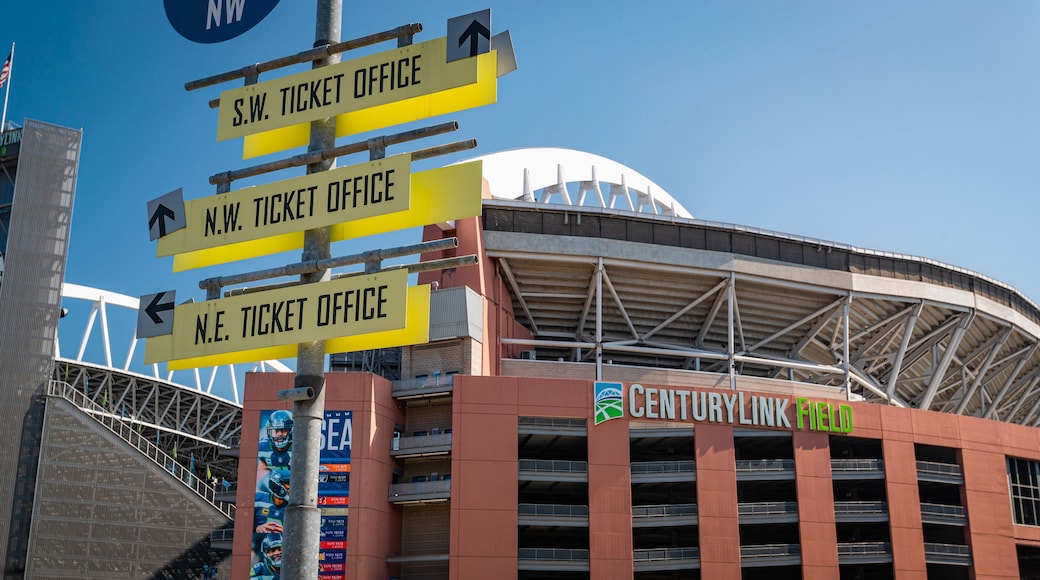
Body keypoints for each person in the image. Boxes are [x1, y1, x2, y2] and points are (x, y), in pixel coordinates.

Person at [257, 410, 293, 488]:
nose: (279, 434)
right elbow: (259, 474)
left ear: (291, 431)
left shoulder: (300, 448)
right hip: (274, 485)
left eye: (284, 430)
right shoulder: (262, 447)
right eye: (276, 431)